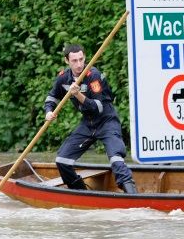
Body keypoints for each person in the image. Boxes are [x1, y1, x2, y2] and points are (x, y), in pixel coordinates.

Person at [44, 44, 137, 194]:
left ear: (85, 58)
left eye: (81, 59)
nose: (79, 64)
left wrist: (78, 94)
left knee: (116, 159)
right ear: (67, 61)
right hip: (88, 124)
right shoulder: (63, 78)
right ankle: (81, 194)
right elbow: (52, 98)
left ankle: (132, 197)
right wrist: (49, 112)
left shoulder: (93, 75)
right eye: (74, 61)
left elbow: (98, 107)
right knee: (62, 161)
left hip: (107, 121)